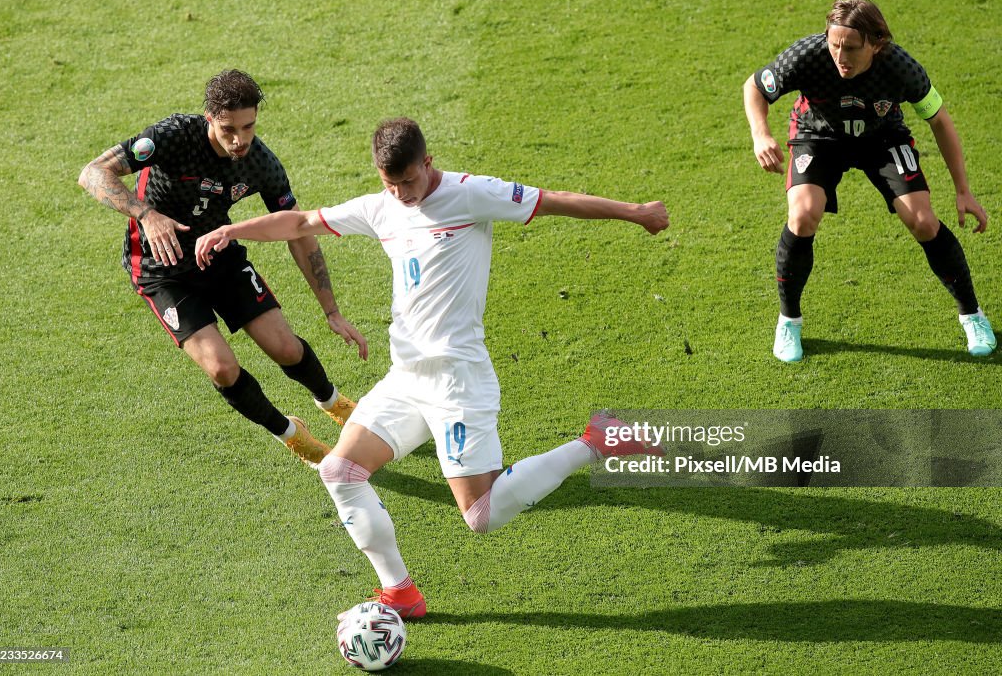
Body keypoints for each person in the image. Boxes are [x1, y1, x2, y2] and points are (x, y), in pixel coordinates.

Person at [194, 117, 669, 618]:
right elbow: (300, 222)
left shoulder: (471, 194)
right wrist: (230, 229)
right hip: (406, 377)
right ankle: (400, 592)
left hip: (457, 379)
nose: (400, 193)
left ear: (428, 162)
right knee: (340, 470)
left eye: (409, 181)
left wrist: (636, 212)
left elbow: (553, 200)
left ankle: (598, 441)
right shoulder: (382, 207)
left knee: (481, 516)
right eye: (390, 183)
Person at [78, 69, 365, 465]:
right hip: (160, 269)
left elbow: (298, 231)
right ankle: (291, 434)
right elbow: (92, 172)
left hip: (216, 254)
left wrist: (331, 311)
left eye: (248, 127)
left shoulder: (260, 163)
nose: (240, 140)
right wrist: (146, 214)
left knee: (284, 345)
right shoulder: (173, 136)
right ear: (209, 118)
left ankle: (333, 402)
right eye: (229, 129)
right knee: (222, 368)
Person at [743, 0, 995, 363]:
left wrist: (963, 191)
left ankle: (973, 316)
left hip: (882, 137)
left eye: (851, 47)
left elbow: (939, 120)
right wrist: (760, 133)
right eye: (834, 44)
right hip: (818, 135)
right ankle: (789, 321)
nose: (840, 56)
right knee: (802, 216)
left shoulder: (900, 67)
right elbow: (754, 87)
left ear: (876, 44)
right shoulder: (807, 55)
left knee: (923, 221)